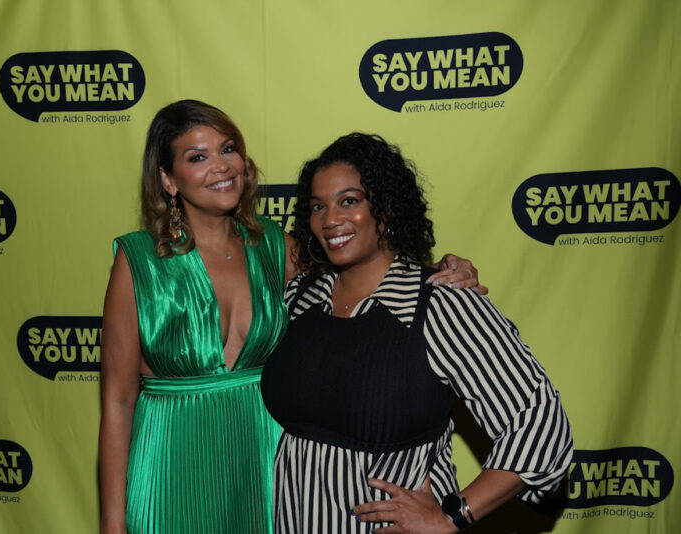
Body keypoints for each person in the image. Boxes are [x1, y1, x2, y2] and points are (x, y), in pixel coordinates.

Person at [99, 101, 486, 534]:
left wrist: (444, 270)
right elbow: (117, 400)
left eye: (228, 149)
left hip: (263, 459)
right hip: (172, 458)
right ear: (168, 180)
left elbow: (365, 265)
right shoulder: (138, 260)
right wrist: (112, 524)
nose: (221, 166)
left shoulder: (274, 246)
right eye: (197, 157)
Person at [261, 133, 573, 534]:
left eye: (349, 201)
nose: (330, 219)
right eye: (318, 206)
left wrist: (452, 516)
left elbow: (540, 424)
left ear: (387, 207)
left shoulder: (441, 304)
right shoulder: (300, 298)